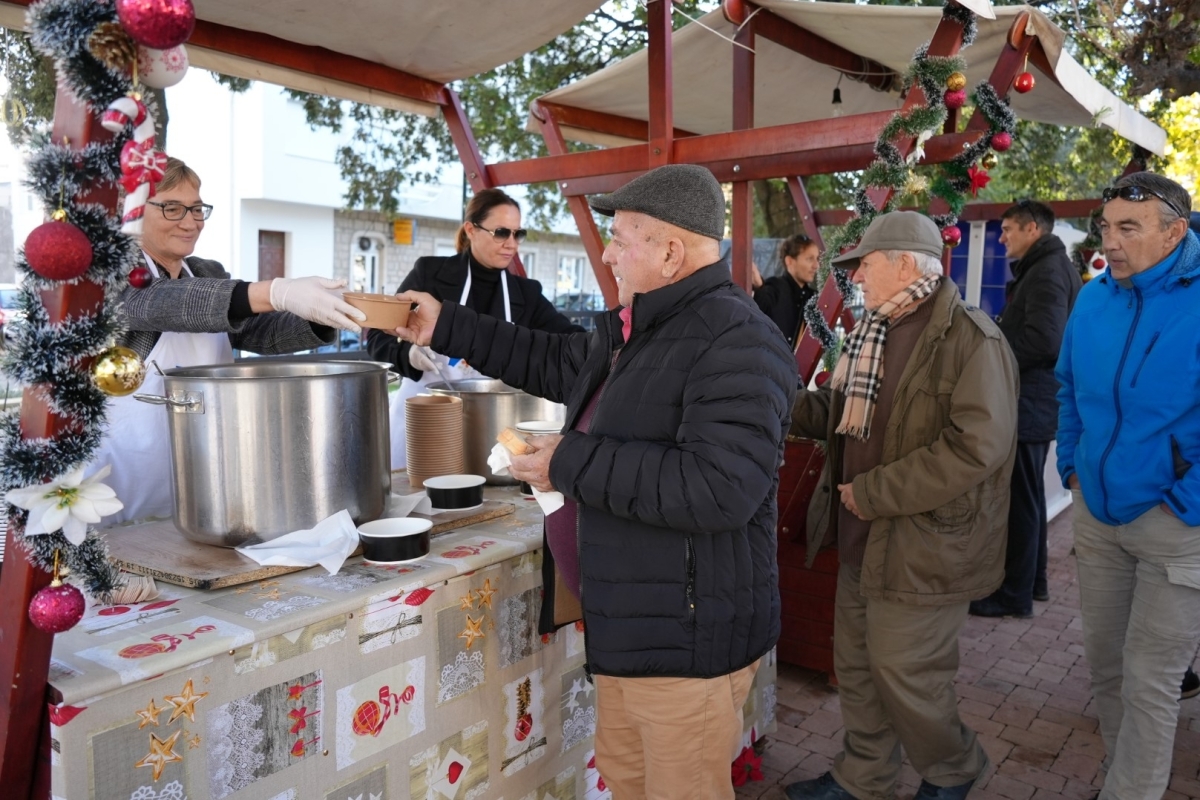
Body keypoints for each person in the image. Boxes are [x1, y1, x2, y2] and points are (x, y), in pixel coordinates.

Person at [390, 164, 796, 800]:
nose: (606, 255)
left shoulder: (738, 339)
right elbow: (550, 359)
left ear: (669, 251)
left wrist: (566, 462)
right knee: (629, 781)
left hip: (686, 638)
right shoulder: (645, 325)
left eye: (622, 238)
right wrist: (443, 325)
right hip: (634, 626)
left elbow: (719, 487)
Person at [786, 211, 1019, 800]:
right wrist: (774, 401)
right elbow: (839, 414)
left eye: (865, 263)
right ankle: (863, 776)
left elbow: (977, 447)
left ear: (906, 264)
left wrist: (874, 492)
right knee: (860, 672)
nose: (856, 276)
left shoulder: (972, 339)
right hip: (862, 538)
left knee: (908, 676)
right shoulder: (873, 331)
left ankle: (954, 768)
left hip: (924, 545)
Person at [93, 157, 364, 525]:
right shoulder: (110, 274)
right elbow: (159, 303)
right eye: (172, 208)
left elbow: (260, 333)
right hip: (127, 475)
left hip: (206, 470)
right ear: (134, 209)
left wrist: (324, 314)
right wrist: (275, 290)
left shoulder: (207, 272)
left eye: (197, 208)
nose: (191, 222)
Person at [1055, 172, 1200, 798]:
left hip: (1176, 527)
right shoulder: (1093, 298)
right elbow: (1069, 389)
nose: (1110, 242)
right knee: (1109, 671)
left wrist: (1186, 502)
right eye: (1106, 227)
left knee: (1150, 682)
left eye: (1129, 228)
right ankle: (1123, 783)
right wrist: (1072, 468)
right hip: (1099, 517)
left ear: (1174, 233)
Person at [364, 188, 581, 469]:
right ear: (471, 229)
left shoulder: (526, 293)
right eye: (502, 232)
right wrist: (410, 355)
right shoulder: (430, 275)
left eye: (518, 234)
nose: (512, 243)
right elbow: (379, 336)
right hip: (429, 420)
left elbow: (569, 340)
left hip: (493, 423)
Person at [970, 200, 1081, 618]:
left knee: (1019, 500)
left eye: (1007, 230)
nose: (1002, 239)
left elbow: (1044, 341)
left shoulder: (1047, 271)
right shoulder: (1046, 267)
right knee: (1028, 498)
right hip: (1033, 400)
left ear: (1032, 228)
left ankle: (1013, 595)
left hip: (1029, 401)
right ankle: (1031, 585)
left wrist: (992, 357)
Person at [753, 234, 820, 347]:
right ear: (789, 261)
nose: (816, 265)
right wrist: (759, 287)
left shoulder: (813, 297)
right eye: (810, 259)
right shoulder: (774, 289)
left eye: (817, 259)